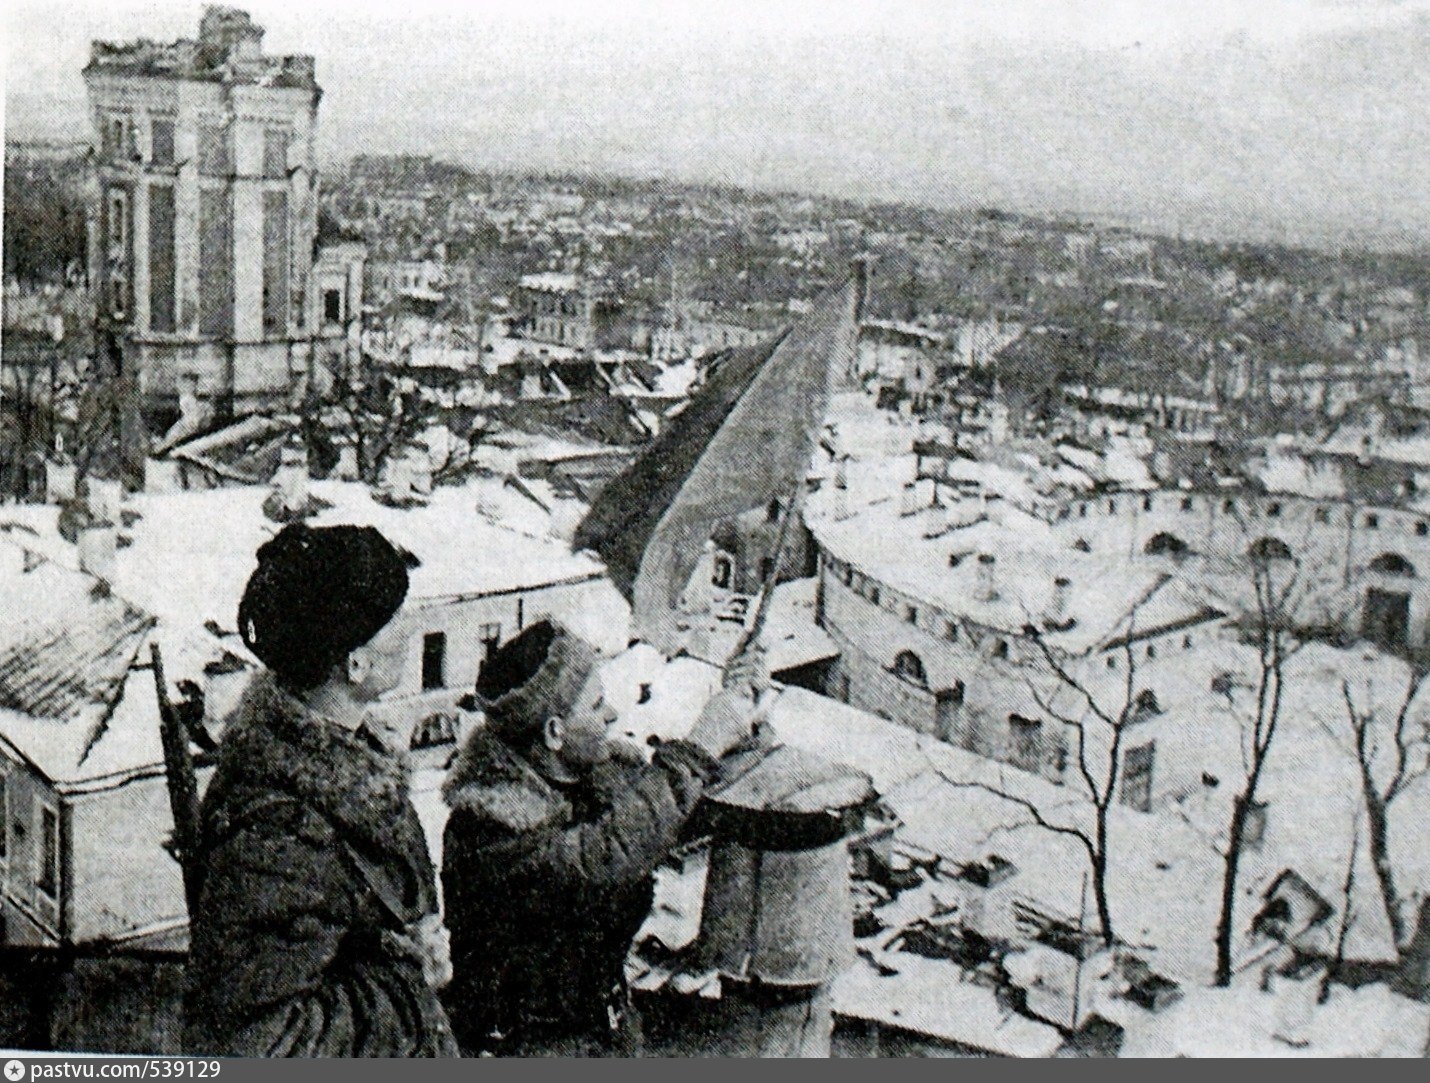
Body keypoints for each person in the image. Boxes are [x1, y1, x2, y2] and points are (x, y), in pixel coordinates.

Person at [184, 523, 458, 1057]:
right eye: (393, 616)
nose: (410, 625)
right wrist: (405, 986)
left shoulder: (351, 759)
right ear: (356, 664)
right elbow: (257, 1042)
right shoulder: (281, 833)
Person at [440, 619, 757, 1056]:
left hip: (605, 1029)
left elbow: (671, 814)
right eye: (596, 705)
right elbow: (604, 853)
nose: (612, 714)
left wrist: (737, 703)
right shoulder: (489, 829)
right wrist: (700, 747)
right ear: (555, 733)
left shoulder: (593, 778)